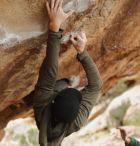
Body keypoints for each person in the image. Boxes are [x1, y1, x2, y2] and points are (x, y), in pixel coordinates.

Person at [32, 0, 103, 145]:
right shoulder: (77, 121)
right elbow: (96, 86)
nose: (71, 88)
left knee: (52, 82)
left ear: (54, 99)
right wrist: (81, 52)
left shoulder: (42, 104)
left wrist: (54, 28)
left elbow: (50, 71)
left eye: (68, 90)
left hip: (46, 104)